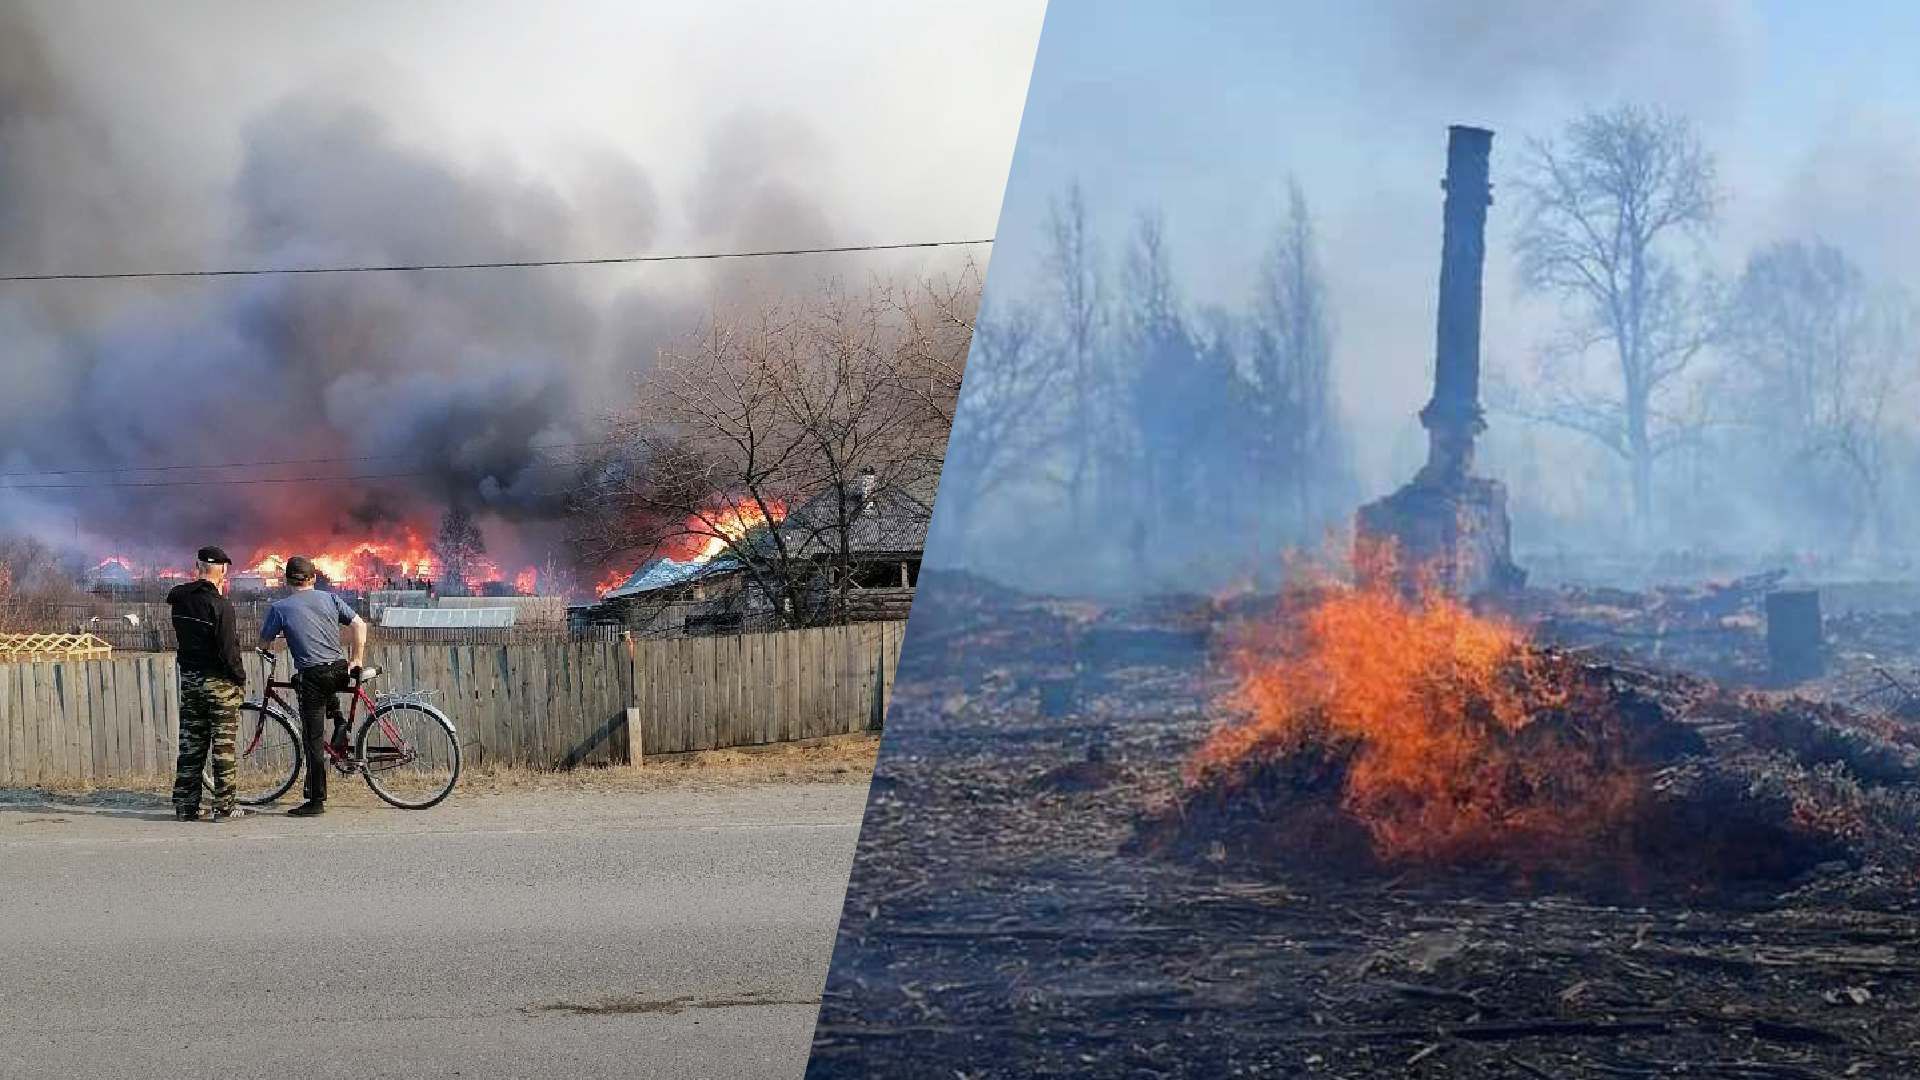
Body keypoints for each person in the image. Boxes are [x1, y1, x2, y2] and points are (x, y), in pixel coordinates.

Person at [259, 555, 367, 817]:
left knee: (313, 740)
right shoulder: (329, 598)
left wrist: (266, 645)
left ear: (287, 580)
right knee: (306, 682)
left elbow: (263, 643)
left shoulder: (280, 608)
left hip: (315, 676)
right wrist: (357, 658)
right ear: (314, 578)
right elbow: (359, 624)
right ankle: (340, 721)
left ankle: (316, 801)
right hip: (340, 669)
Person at [167, 545, 249, 822]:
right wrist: (239, 679)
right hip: (219, 683)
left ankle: (185, 806)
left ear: (198, 567)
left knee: (191, 744)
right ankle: (224, 806)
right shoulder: (221, 606)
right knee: (223, 747)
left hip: (190, 680)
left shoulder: (179, 599)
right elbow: (229, 649)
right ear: (223, 570)